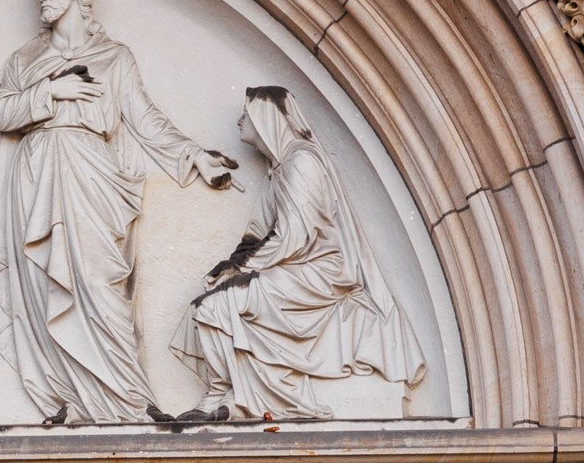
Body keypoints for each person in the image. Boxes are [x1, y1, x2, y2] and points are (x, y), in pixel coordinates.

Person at [0, 0, 234, 424]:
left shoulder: (113, 56)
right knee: (45, 284)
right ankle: (70, 398)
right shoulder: (26, 59)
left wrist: (194, 154)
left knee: (97, 281)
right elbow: (2, 114)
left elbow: (144, 118)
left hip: (90, 169)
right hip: (38, 174)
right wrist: (50, 92)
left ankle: (128, 399)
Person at [175, 85, 426, 420]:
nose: (240, 121)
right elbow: (258, 231)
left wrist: (243, 269)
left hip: (319, 270)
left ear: (268, 119)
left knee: (218, 305)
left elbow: (295, 235)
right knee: (208, 305)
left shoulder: (301, 162)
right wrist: (231, 266)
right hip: (291, 263)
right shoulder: (279, 168)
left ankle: (234, 395)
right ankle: (222, 393)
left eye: (247, 114)